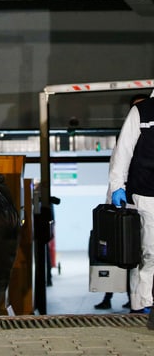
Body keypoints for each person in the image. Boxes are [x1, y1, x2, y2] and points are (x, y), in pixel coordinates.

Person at [94, 93, 149, 311]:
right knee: (134, 256)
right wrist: (113, 203)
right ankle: (138, 304)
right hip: (130, 205)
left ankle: (139, 302)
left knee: (143, 257)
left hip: (142, 200)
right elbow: (118, 167)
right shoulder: (127, 138)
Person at [109, 89, 154, 315]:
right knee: (151, 252)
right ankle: (147, 304)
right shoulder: (142, 112)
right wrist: (117, 186)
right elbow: (123, 151)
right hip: (147, 194)